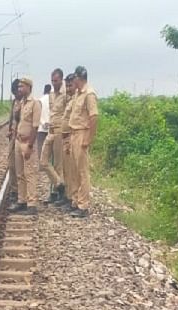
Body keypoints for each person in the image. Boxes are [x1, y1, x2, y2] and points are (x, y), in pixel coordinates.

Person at [65, 66, 98, 218]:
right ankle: (76, 201)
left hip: (81, 134)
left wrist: (88, 138)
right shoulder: (77, 95)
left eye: (75, 79)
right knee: (74, 171)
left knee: (82, 172)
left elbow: (93, 117)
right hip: (73, 134)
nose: (74, 82)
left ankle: (83, 205)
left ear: (80, 78)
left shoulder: (89, 94)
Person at [9, 78, 41, 215]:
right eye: (19, 87)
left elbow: (35, 126)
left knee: (30, 173)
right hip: (18, 141)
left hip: (27, 142)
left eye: (22, 86)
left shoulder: (35, 104)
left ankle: (32, 204)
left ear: (29, 87)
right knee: (20, 173)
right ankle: (22, 200)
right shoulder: (21, 103)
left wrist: (30, 146)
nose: (19, 89)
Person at [41, 69, 68, 204]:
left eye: (56, 80)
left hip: (59, 131)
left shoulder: (65, 94)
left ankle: (59, 195)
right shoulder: (51, 94)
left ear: (61, 79)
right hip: (50, 130)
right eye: (52, 80)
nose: (53, 83)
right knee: (43, 162)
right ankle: (59, 184)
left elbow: (67, 113)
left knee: (58, 164)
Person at [58, 73, 78, 209]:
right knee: (66, 170)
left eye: (70, 85)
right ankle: (68, 196)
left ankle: (73, 199)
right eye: (67, 86)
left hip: (72, 138)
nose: (68, 88)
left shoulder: (77, 100)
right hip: (65, 139)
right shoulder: (70, 99)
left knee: (72, 172)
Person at [37, 83, 52, 158]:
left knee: (41, 150)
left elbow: (38, 115)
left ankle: (41, 167)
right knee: (50, 151)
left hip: (41, 129)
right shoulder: (52, 100)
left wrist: (43, 123)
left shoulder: (40, 100)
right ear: (50, 90)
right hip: (51, 128)